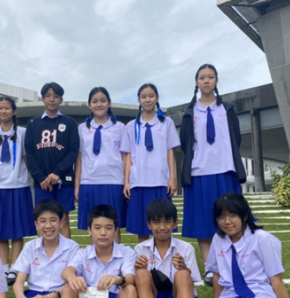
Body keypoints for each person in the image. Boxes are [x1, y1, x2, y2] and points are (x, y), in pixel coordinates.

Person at [180, 64, 246, 285]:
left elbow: (236, 137)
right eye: (202, 78)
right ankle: (210, 267)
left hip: (225, 169)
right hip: (199, 173)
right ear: (196, 82)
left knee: (230, 218)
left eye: (210, 77)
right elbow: (185, 143)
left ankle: (233, 263)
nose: (206, 81)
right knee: (204, 221)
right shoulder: (190, 112)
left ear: (216, 80)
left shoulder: (227, 109)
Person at [0, 96, 36, 286]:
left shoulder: (23, 132)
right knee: (0, 229)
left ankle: (16, 268)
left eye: (7, 108)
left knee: (18, 228)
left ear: (14, 111)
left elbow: (26, 158)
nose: (3, 111)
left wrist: (22, 175)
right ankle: (4, 267)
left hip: (19, 184)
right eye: (0, 108)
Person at [121, 83, 180, 243]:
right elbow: (128, 156)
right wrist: (126, 182)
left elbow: (170, 151)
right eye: (144, 97)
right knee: (142, 227)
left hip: (160, 180)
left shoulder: (166, 122)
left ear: (157, 98)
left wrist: (172, 178)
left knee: (163, 224)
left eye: (151, 96)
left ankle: (164, 256)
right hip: (139, 181)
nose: (147, 100)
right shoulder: (131, 126)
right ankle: (144, 257)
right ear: (139, 100)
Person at [25, 82, 79, 239]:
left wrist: (57, 173)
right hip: (42, 183)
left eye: (56, 96)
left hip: (64, 180)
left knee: (63, 219)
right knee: (43, 219)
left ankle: (67, 253)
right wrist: (40, 177)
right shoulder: (33, 123)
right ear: (42, 99)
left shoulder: (69, 122)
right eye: (48, 96)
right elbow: (30, 153)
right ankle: (43, 253)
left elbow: (73, 151)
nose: (52, 99)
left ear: (61, 99)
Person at [75, 87, 127, 243]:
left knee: (113, 225)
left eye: (103, 100)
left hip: (114, 182)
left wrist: (126, 182)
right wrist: (77, 186)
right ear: (89, 105)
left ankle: (116, 258)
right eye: (95, 101)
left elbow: (125, 157)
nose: (99, 104)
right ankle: (94, 259)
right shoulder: (82, 128)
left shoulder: (120, 127)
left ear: (109, 103)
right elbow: (79, 158)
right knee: (94, 226)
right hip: (89, 182)